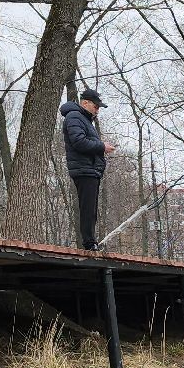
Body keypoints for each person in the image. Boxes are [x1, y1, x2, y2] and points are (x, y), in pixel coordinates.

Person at [61, 87, 115, 250]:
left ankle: (90, 241)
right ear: (85, 103)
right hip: (84, 169)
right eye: (96, 106)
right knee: (87, 207)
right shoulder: (74, 116)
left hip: (90, 169)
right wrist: (101, 146)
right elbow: (79, 142)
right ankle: (89, 243)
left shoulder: (83, 119)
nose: (97, 110)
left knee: (91, 208)